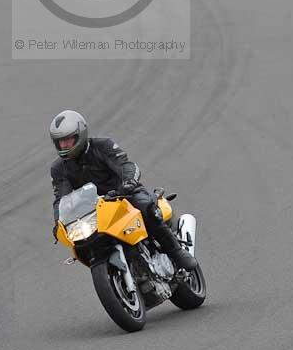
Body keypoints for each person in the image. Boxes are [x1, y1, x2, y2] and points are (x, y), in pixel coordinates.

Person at [49, 110, 196, 272]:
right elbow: (61, 198)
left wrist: (129, 182)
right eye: (60, 142)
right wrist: (59, 221)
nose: (64, 145)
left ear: (80, 134)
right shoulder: (58, 168)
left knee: (146, 207)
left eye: (68, 140)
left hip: (124, 195)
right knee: (83, 241)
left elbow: (126, 165)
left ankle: (176, 251)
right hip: (94, 211)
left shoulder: (102, 145)